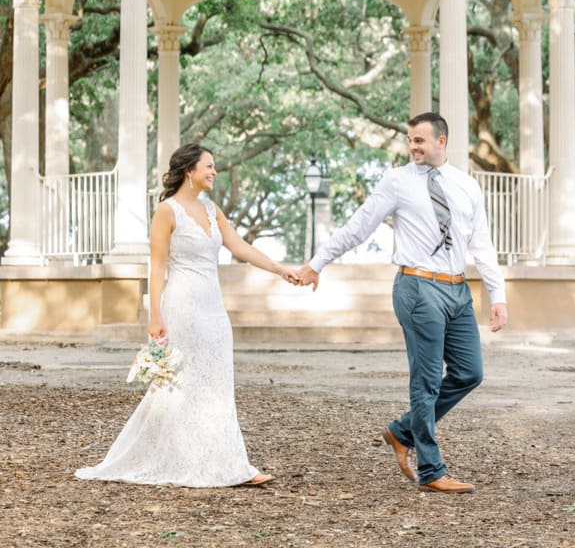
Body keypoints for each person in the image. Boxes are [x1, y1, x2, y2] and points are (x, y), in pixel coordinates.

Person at [296, 111, 507, 494]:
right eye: (410, 140)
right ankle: (431, 470)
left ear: (441, 141)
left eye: (420, 141)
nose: (413, 147)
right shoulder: (397, 181)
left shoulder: (466, 186)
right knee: (425, 382)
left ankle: (401, 432)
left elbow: (482, 244)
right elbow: (360, 226)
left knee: (470, 373)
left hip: (458, 290)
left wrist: (498, 295)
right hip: (417, 287)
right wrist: (316, 263)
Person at [76, 143, 296, 487]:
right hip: (182, 307)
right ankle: (186, 460)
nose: (214, 172)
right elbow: (158, 266)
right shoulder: (167, 211)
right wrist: (154, 316)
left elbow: (240, 248)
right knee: (182, 383)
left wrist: (281, 270)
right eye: (208, 166)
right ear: (189, 170)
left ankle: (230, 464)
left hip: (213, 309)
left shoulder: (212, 210)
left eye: (214, 166)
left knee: (217, 384)